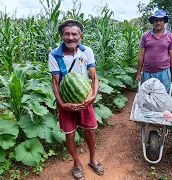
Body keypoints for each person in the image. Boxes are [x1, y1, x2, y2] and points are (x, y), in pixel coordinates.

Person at [48, 19, 103, 180]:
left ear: (81, 36)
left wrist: (92, 97)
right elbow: (55, 83)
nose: (70, 37)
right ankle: (77, 163)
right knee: (70, 134)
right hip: (66, 102)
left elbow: (94, 78)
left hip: (86, 99)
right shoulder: (54, 55)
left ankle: (93, 159)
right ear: (61, 35)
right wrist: (62, 104)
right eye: (67, 34)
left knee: (90, 131)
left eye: (74, 34)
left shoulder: (87, 52)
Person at [136, 9, 172, 94]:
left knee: (163, 96)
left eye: (161, 20)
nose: (158, 22)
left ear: (164, 22)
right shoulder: (145, 36)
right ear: (153, 22)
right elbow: (141, 56)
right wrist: (138, 73)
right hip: (147, 73)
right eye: (156, 20)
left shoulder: (170, 37)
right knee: (146, 96)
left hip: (164, 73)